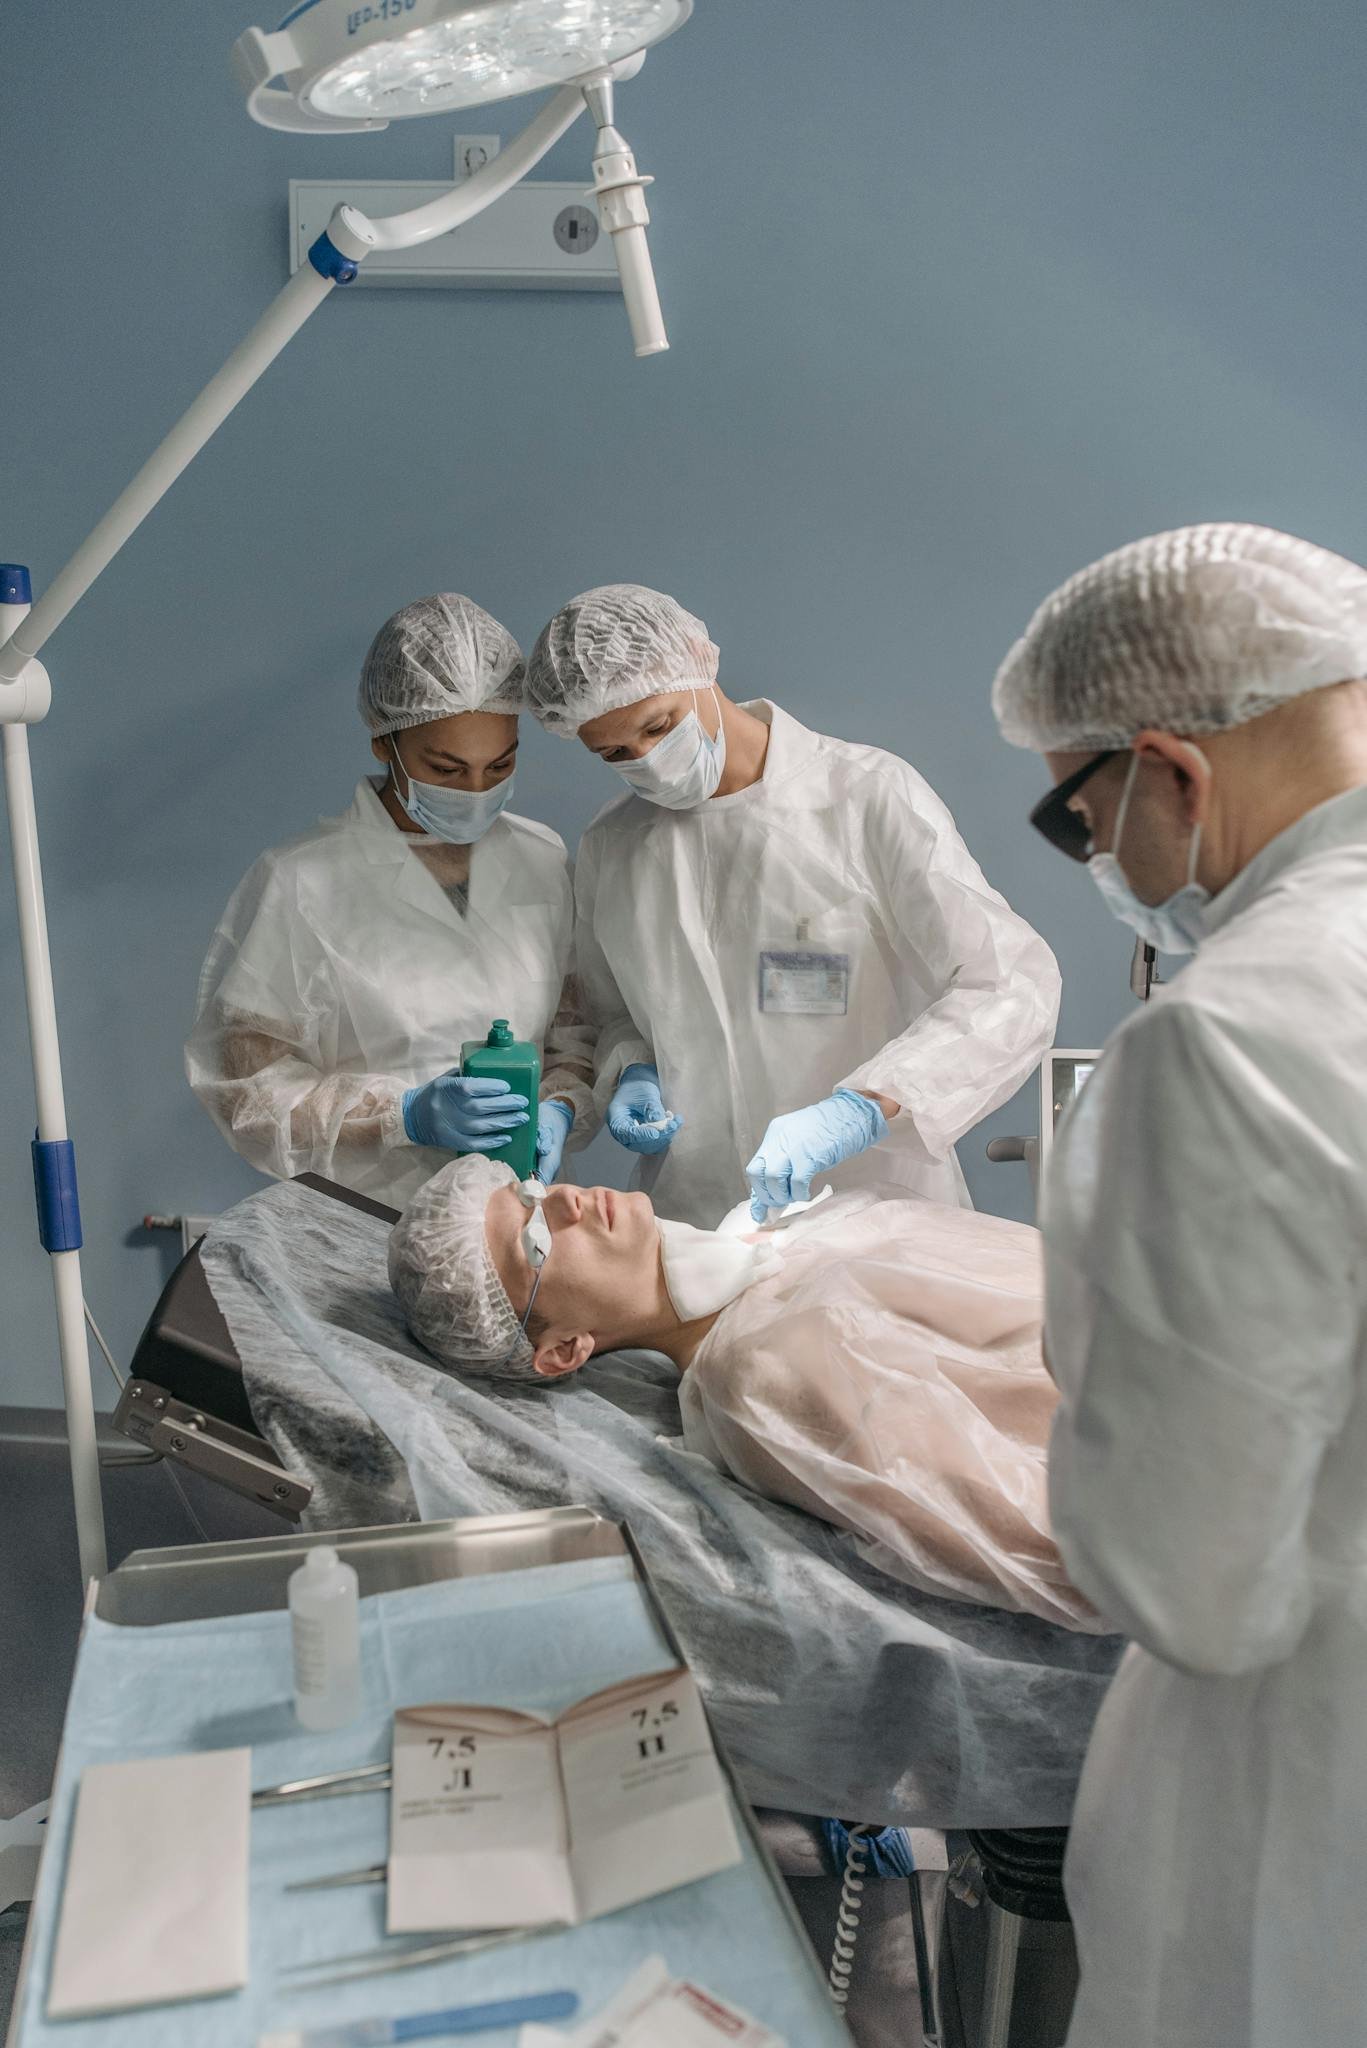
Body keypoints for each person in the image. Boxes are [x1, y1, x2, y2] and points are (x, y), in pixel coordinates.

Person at [991, 522, 1367, 2048]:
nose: (1100, 861)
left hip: (1309, 1807)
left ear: (1167, 771)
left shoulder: (1236, 1036)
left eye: (1074, 817)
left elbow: (1188, 1581)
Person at [524, 584, 1061, 1228]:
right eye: (615, 753)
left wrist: (864, 1108)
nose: (648, 762)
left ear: (700, 659)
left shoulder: (863, 797)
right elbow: (616, 1015)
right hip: (700, 1223)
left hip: (875, 1210)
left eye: (659, 725)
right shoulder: (615, 843)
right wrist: (632, 1070)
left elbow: (1008, 982)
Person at [388, 1152, 1101, 1633]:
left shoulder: (769, 1246)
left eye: (531, 1192)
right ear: (564, 1349)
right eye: (535, 1242)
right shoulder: (766, 1373)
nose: (566, 1199)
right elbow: (1068, 1546)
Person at [187, 594, 592, 1208]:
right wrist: (402, 1115)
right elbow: (247, 1091)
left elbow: (573, 1036)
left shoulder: (540, 859)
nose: (477, 791)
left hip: (514, 1214)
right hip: (361, 1220)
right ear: (385, 742)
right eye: (447, 768)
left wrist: (558, 1107)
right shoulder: (304, 881)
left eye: (499, 765)